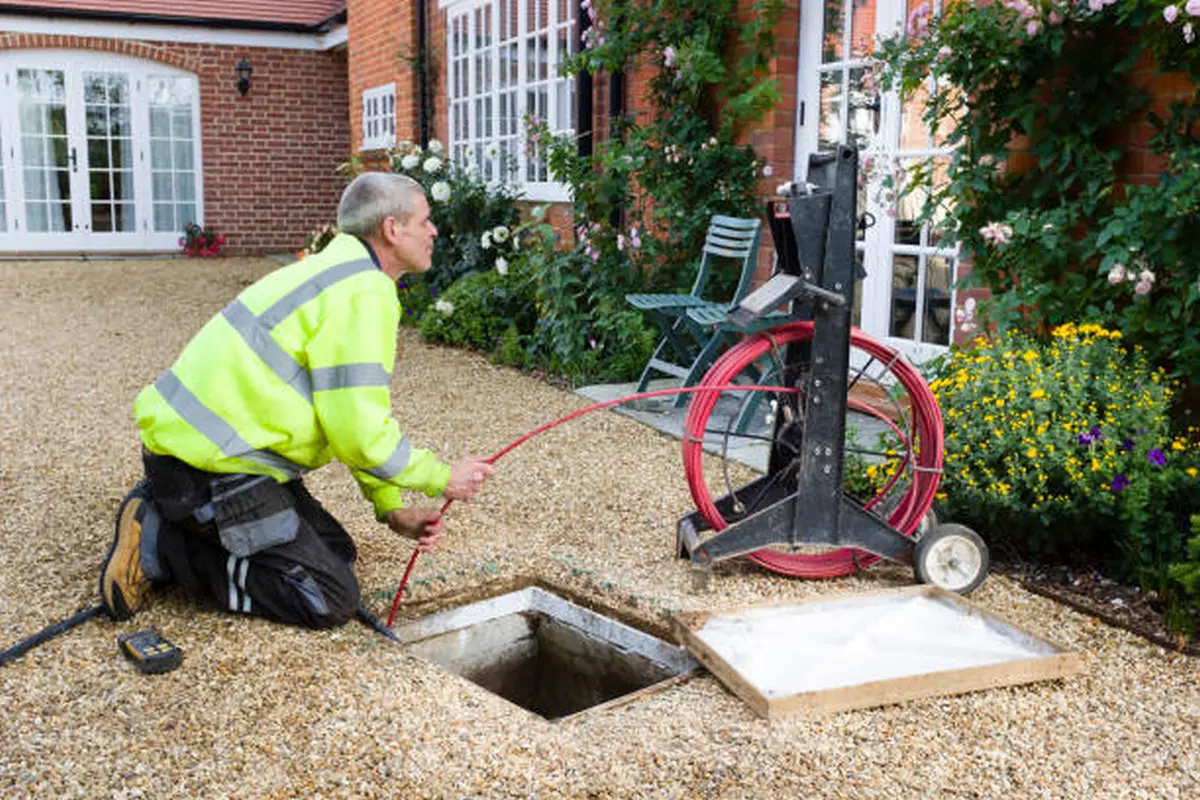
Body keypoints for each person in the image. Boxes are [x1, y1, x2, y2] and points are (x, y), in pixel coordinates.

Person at [99, 173, 494, 629]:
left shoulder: (335, 272)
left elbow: (345, 416)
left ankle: (173, 512)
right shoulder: (364, 291)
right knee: (326, 597)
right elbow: (359, 434)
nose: (434, 232)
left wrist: (389, 506)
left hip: (212, 456)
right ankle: (163, 543)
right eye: (425, 221)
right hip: (209, 470)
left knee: (337, 555)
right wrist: (442, 478)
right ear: (392, 229)